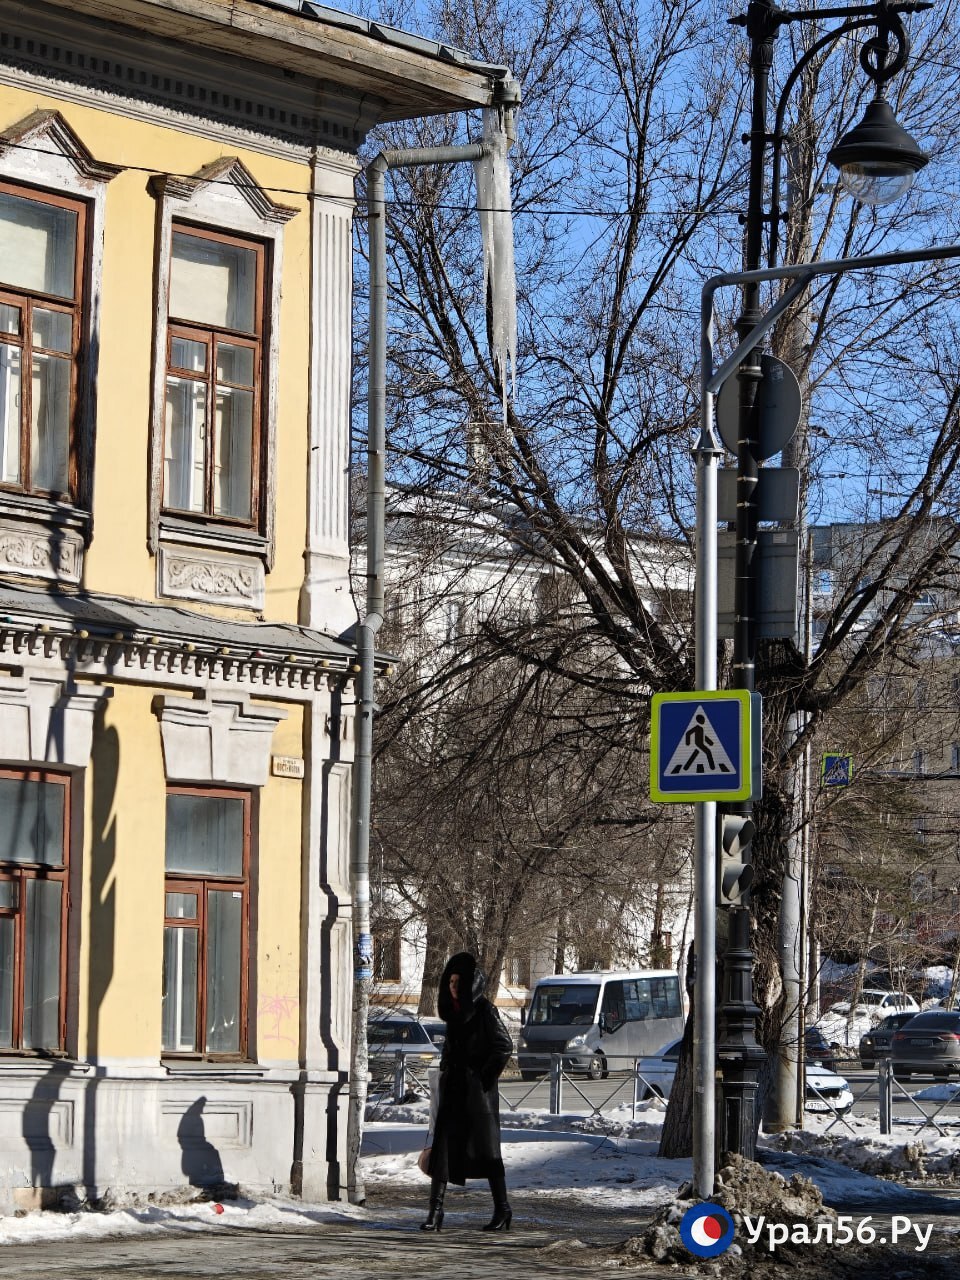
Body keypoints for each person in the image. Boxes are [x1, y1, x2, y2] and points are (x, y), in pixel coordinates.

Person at [420, 951, 514, 1233]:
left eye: (458, 982)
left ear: (470, 983)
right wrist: (445, 1070)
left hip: (478, 1096)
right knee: (443, 1151)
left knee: (488, 1153)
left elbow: (504, 1046)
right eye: (450, 982)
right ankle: (435, 1212)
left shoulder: (485, 1010)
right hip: (453, 1091)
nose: (453, 986)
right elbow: (450, 1050)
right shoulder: (454, 1014)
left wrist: (483, 1077)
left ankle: (503, 1209)